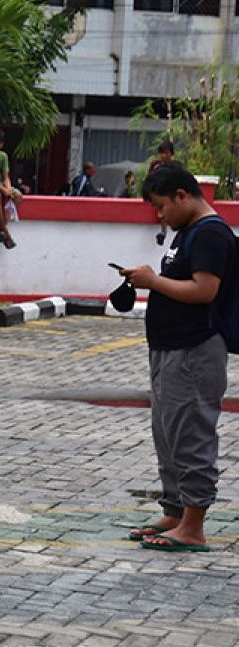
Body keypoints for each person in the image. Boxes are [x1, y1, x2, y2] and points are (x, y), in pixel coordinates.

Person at [120, 164, 229, 553]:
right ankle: (175, 510)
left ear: (183, 195)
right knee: (167, 434)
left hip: (195, 351)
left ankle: (193, 526)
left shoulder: (211, 233)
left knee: (191, 435)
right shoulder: (188, 233)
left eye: (162, 205)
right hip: (170, 349)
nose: (159, 215)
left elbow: (204, 291)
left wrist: (152, 281)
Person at [148, 140, 177, 244]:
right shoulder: (155, 165)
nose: (164, 156)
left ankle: (164, 231)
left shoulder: (175, 167)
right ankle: (163, 231)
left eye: (166, 153)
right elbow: (150, 179)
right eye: (162, 153)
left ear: (171, 154)